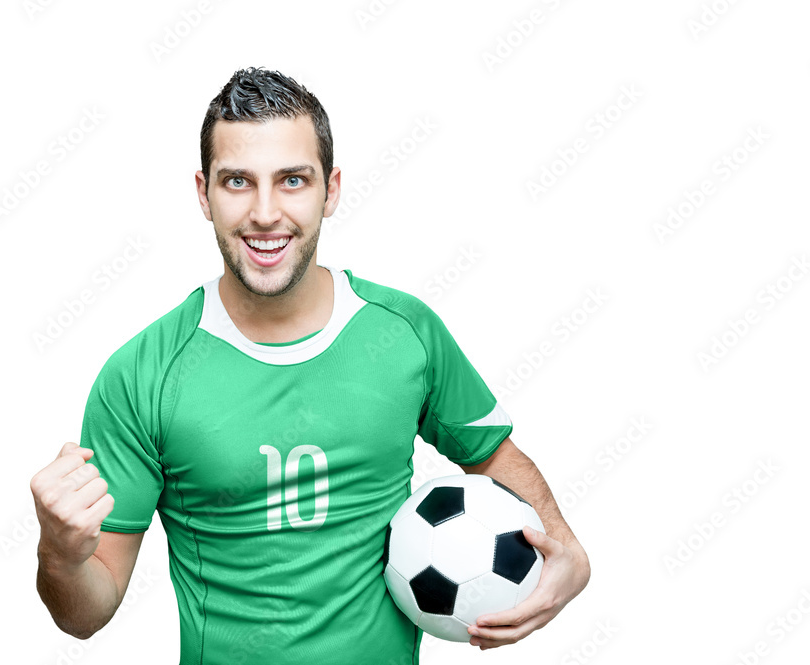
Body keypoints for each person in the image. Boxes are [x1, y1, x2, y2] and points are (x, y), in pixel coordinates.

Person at [31, 66, 590, 664]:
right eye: (238, 181)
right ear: (203, 193)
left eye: (292, 180)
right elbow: (84, 616)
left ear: (332, 189)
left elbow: (492, 454)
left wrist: (570, 555)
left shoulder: (404, 332)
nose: (265, 212)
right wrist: (59, 552)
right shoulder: (142, 375)